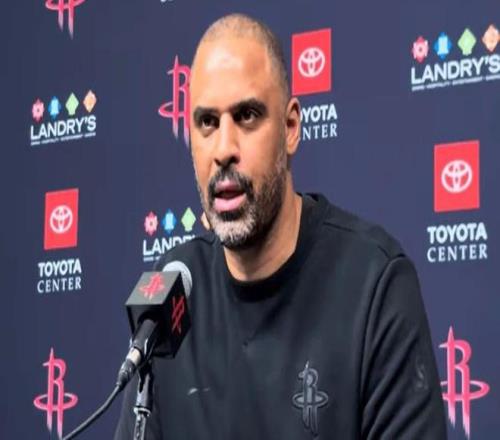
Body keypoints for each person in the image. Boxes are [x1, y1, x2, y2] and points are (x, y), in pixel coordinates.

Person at [115, 13, 447, 439]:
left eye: (247, 116)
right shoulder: (173, 290)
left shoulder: (375, 285)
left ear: (290, 128)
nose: (224, 149)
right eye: (207, 123)